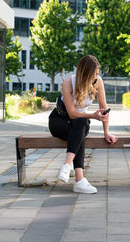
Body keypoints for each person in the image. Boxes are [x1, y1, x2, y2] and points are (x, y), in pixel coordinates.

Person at [49, 55, 118, 194]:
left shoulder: (98, 82)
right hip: (60, 122)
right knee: (81, 125)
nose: (96, 78)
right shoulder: (69, 82)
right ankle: (79, 180)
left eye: (97, 74)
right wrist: (92, 115)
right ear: (85, 73)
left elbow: (104, 108)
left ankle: (67, 167)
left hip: (78, 125)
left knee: (81, 125)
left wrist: (106, 133)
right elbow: (72, 113)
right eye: (93, 75)